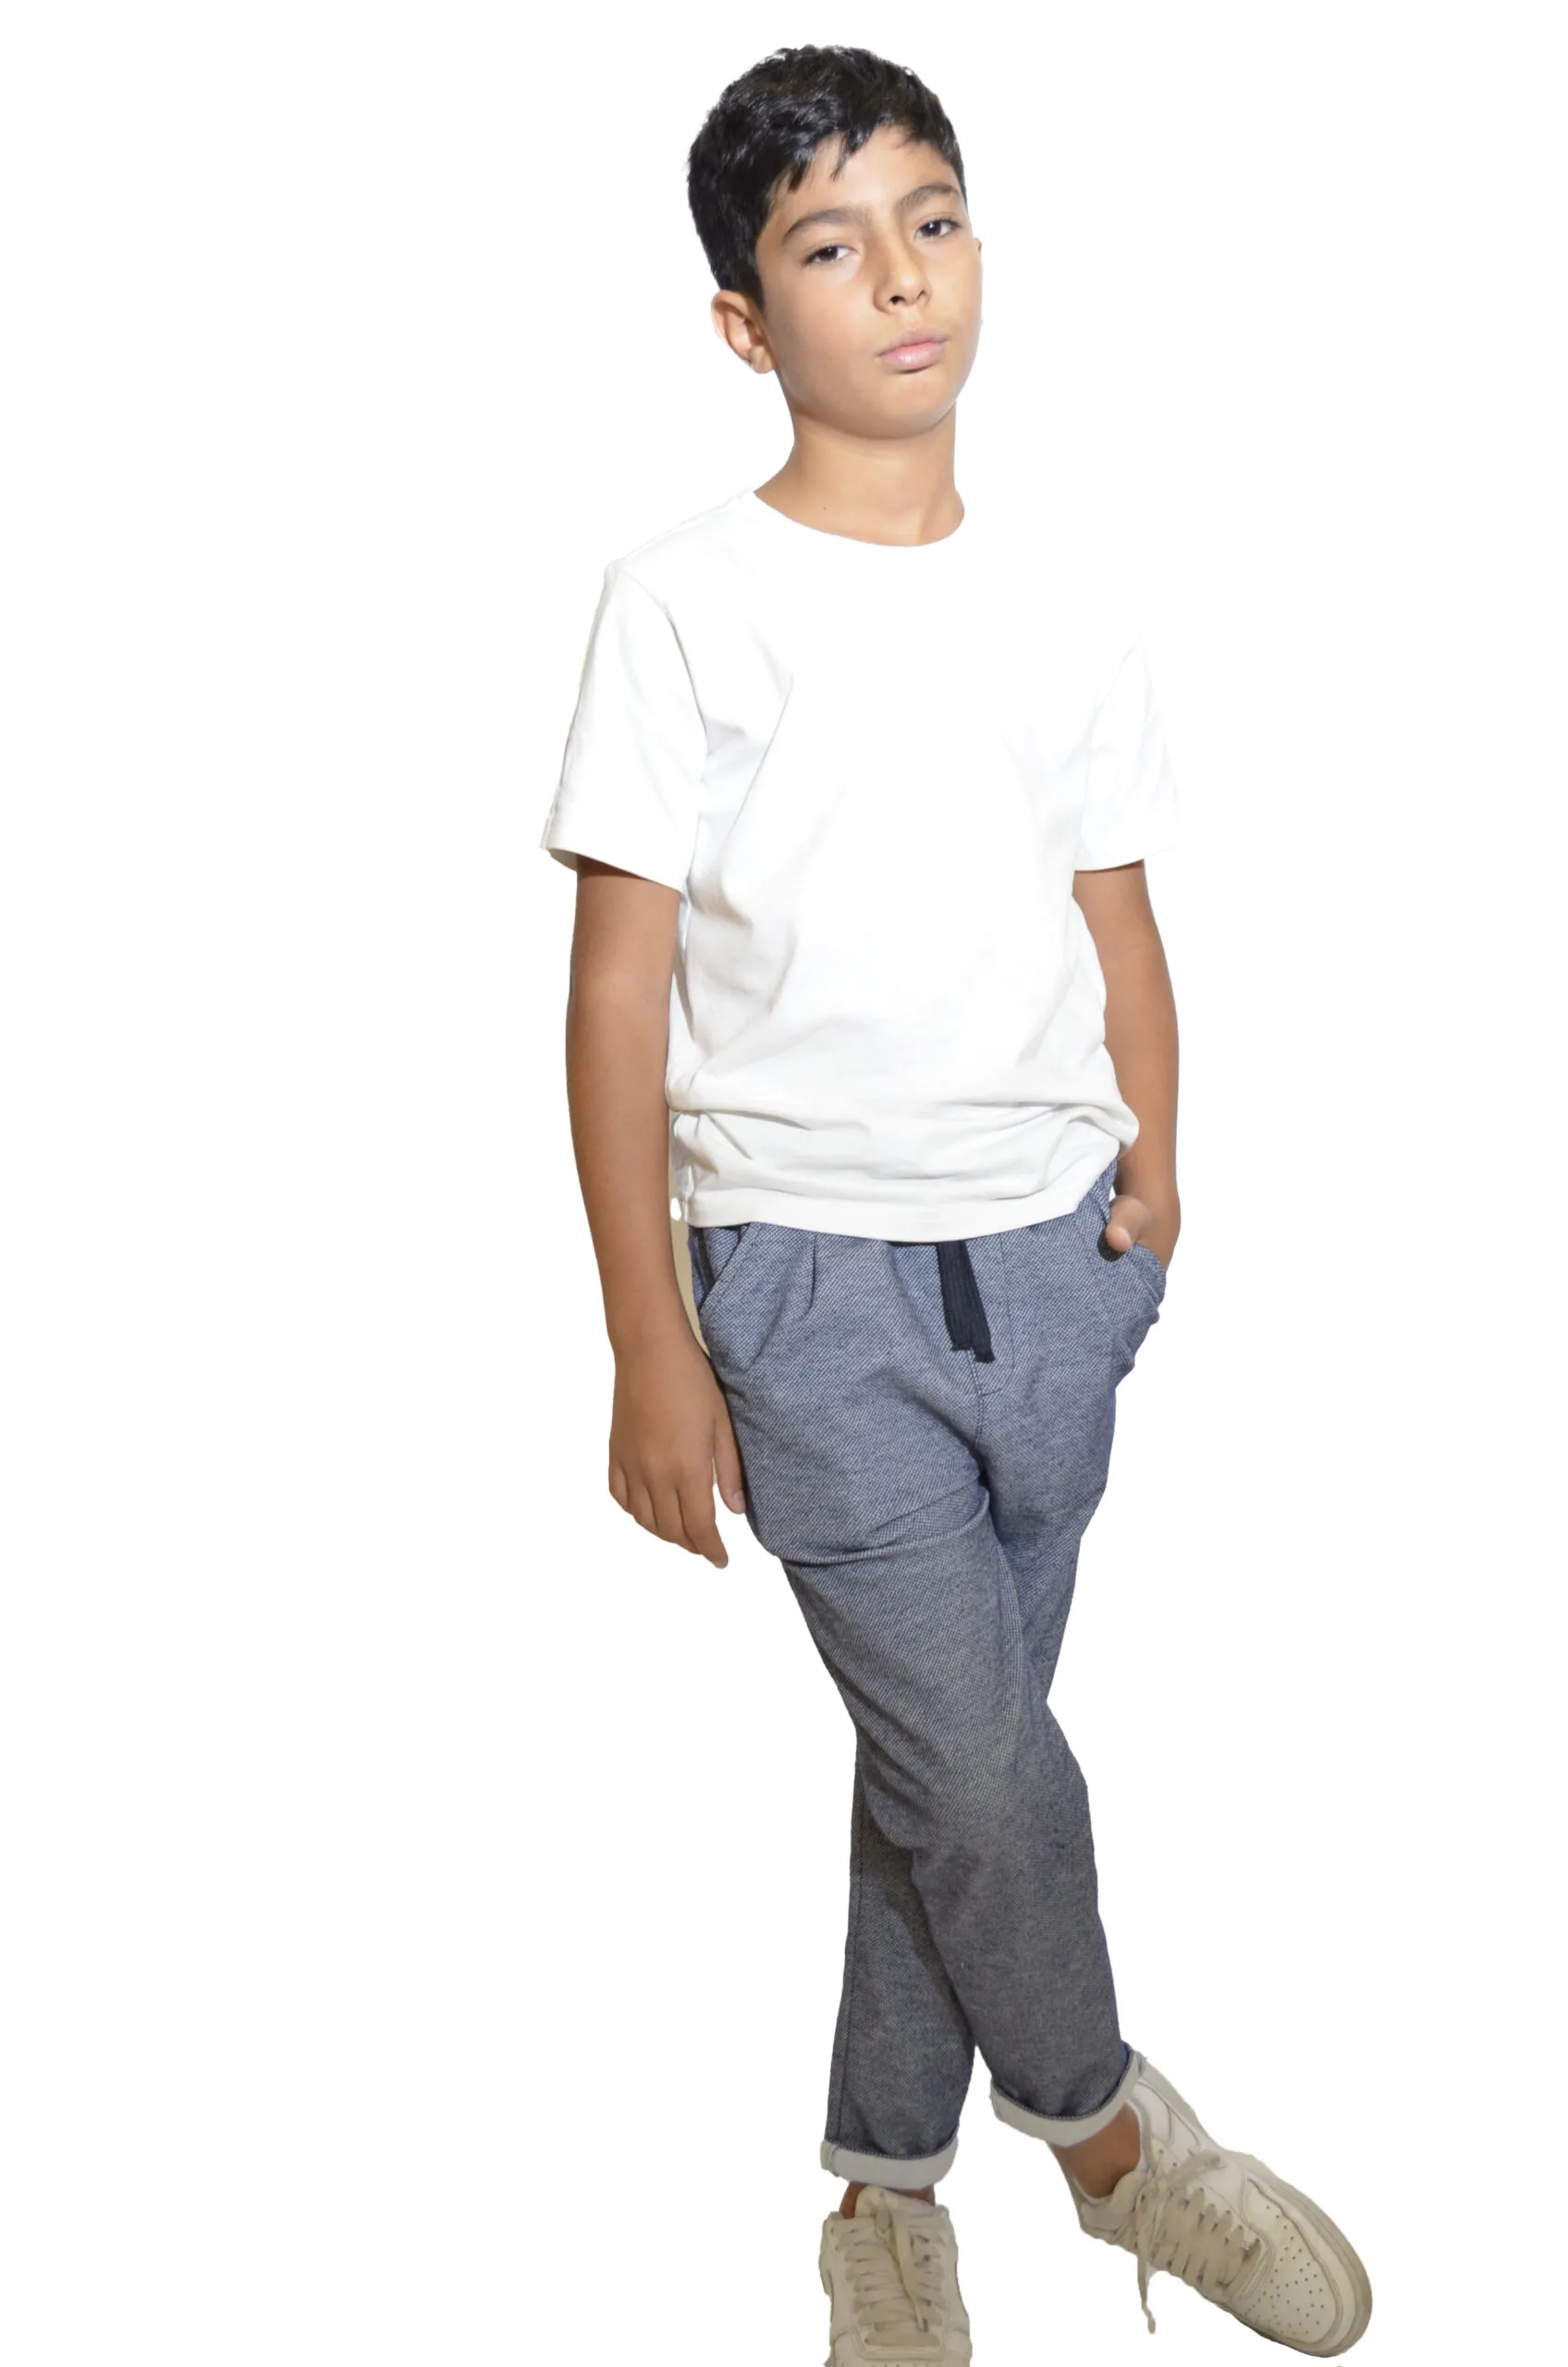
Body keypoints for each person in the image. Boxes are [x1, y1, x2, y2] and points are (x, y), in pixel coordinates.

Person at [539, 43, 1372, 2366]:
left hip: (1052, 1260)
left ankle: (877, 2194)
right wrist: (644, 1338)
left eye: (929, 220)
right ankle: (1116, 2144)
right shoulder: (680, 601)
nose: (897, 277)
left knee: (941, 1765)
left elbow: (1114, 909)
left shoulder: (1067, 592)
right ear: (744, 320)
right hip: (802, 1289)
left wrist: (1155, 1177)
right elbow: (613, 993)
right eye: (828, 245)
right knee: (981, 1763)